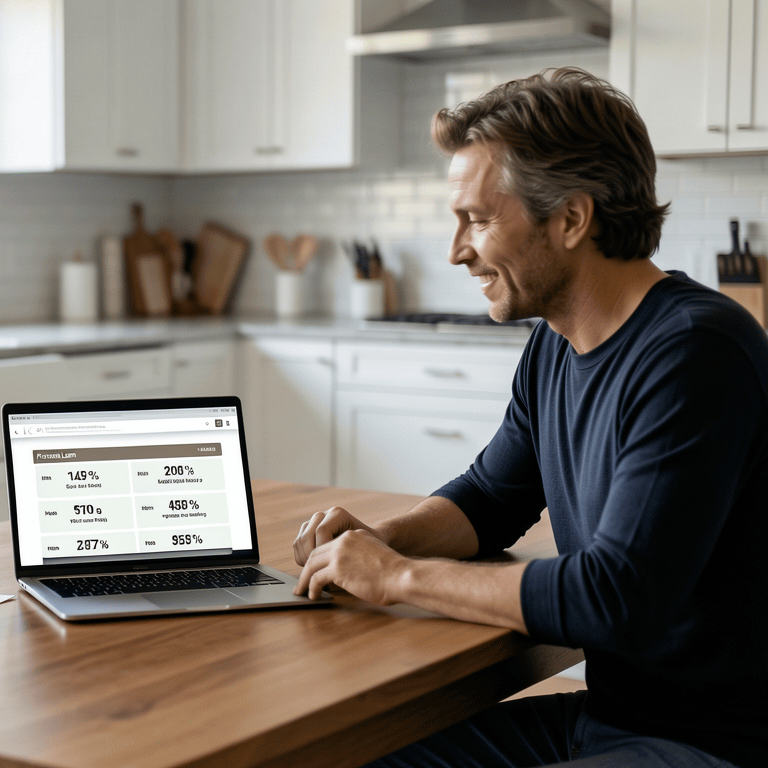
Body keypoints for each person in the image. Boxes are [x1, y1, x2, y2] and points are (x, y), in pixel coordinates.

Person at [292, 68, 766, 768]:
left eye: (479, 220)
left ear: (571, 219)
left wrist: (397, 577)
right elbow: (491, 498)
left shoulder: (696, 352)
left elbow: (614, 596)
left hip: (710, 745)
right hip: (609, 718)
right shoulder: (555, 345)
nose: (457, 250)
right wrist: (375, 542)